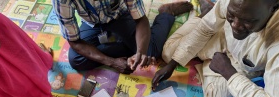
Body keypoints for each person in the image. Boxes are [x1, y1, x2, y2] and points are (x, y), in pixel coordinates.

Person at [152, 0, 279, 97]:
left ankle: (213, 59)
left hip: (241, 65)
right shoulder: (236, 5)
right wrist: (173, 64)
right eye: (231, 15)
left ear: (274, 8)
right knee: (169, 54)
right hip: (223, 37)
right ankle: (207, 15)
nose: (235, 25)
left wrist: (228, 73)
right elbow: (205, 29)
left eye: (248, 21)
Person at [52, 0, 193, 73]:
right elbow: (75, 41)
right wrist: (112, 62)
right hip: (91, 23)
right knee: (76, 60)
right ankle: (130, 46)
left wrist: (141, 53)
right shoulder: (61, 1)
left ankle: (166, 13)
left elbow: (140, 19)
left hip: (120, 15)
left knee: (151, 52)